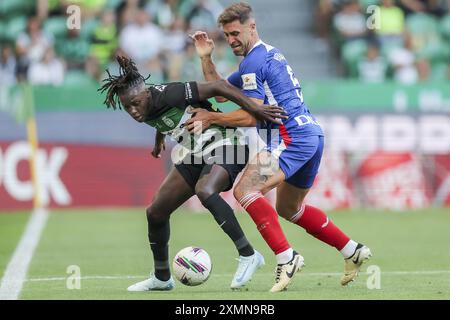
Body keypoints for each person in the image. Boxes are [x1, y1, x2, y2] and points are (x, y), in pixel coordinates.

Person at [189, 2, 372, 292]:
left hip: (290, 138)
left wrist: (210, 117)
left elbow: (251, 115)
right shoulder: (261, 56)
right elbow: (222, 92)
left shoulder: (253, 62)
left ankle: (287, 258)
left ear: (252, 27)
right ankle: (352, 250)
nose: (232, 39)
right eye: (227, 35)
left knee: (244, 190)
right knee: (289, 208)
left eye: (236, 32)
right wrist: (206, 58)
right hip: (310, 135)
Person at [99, 55, 287, 291]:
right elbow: (160, 117)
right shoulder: (144, 107)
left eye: (135, 103)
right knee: (156, 212)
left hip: (229, 144)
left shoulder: (171, 92)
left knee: (205, 190)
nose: (133, 111)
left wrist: (256, 109)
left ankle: (249, 254)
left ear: (147, 93)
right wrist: (159, 140)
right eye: (127, 107)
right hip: (196, 151)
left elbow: (220, 87)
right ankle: (161, 278)